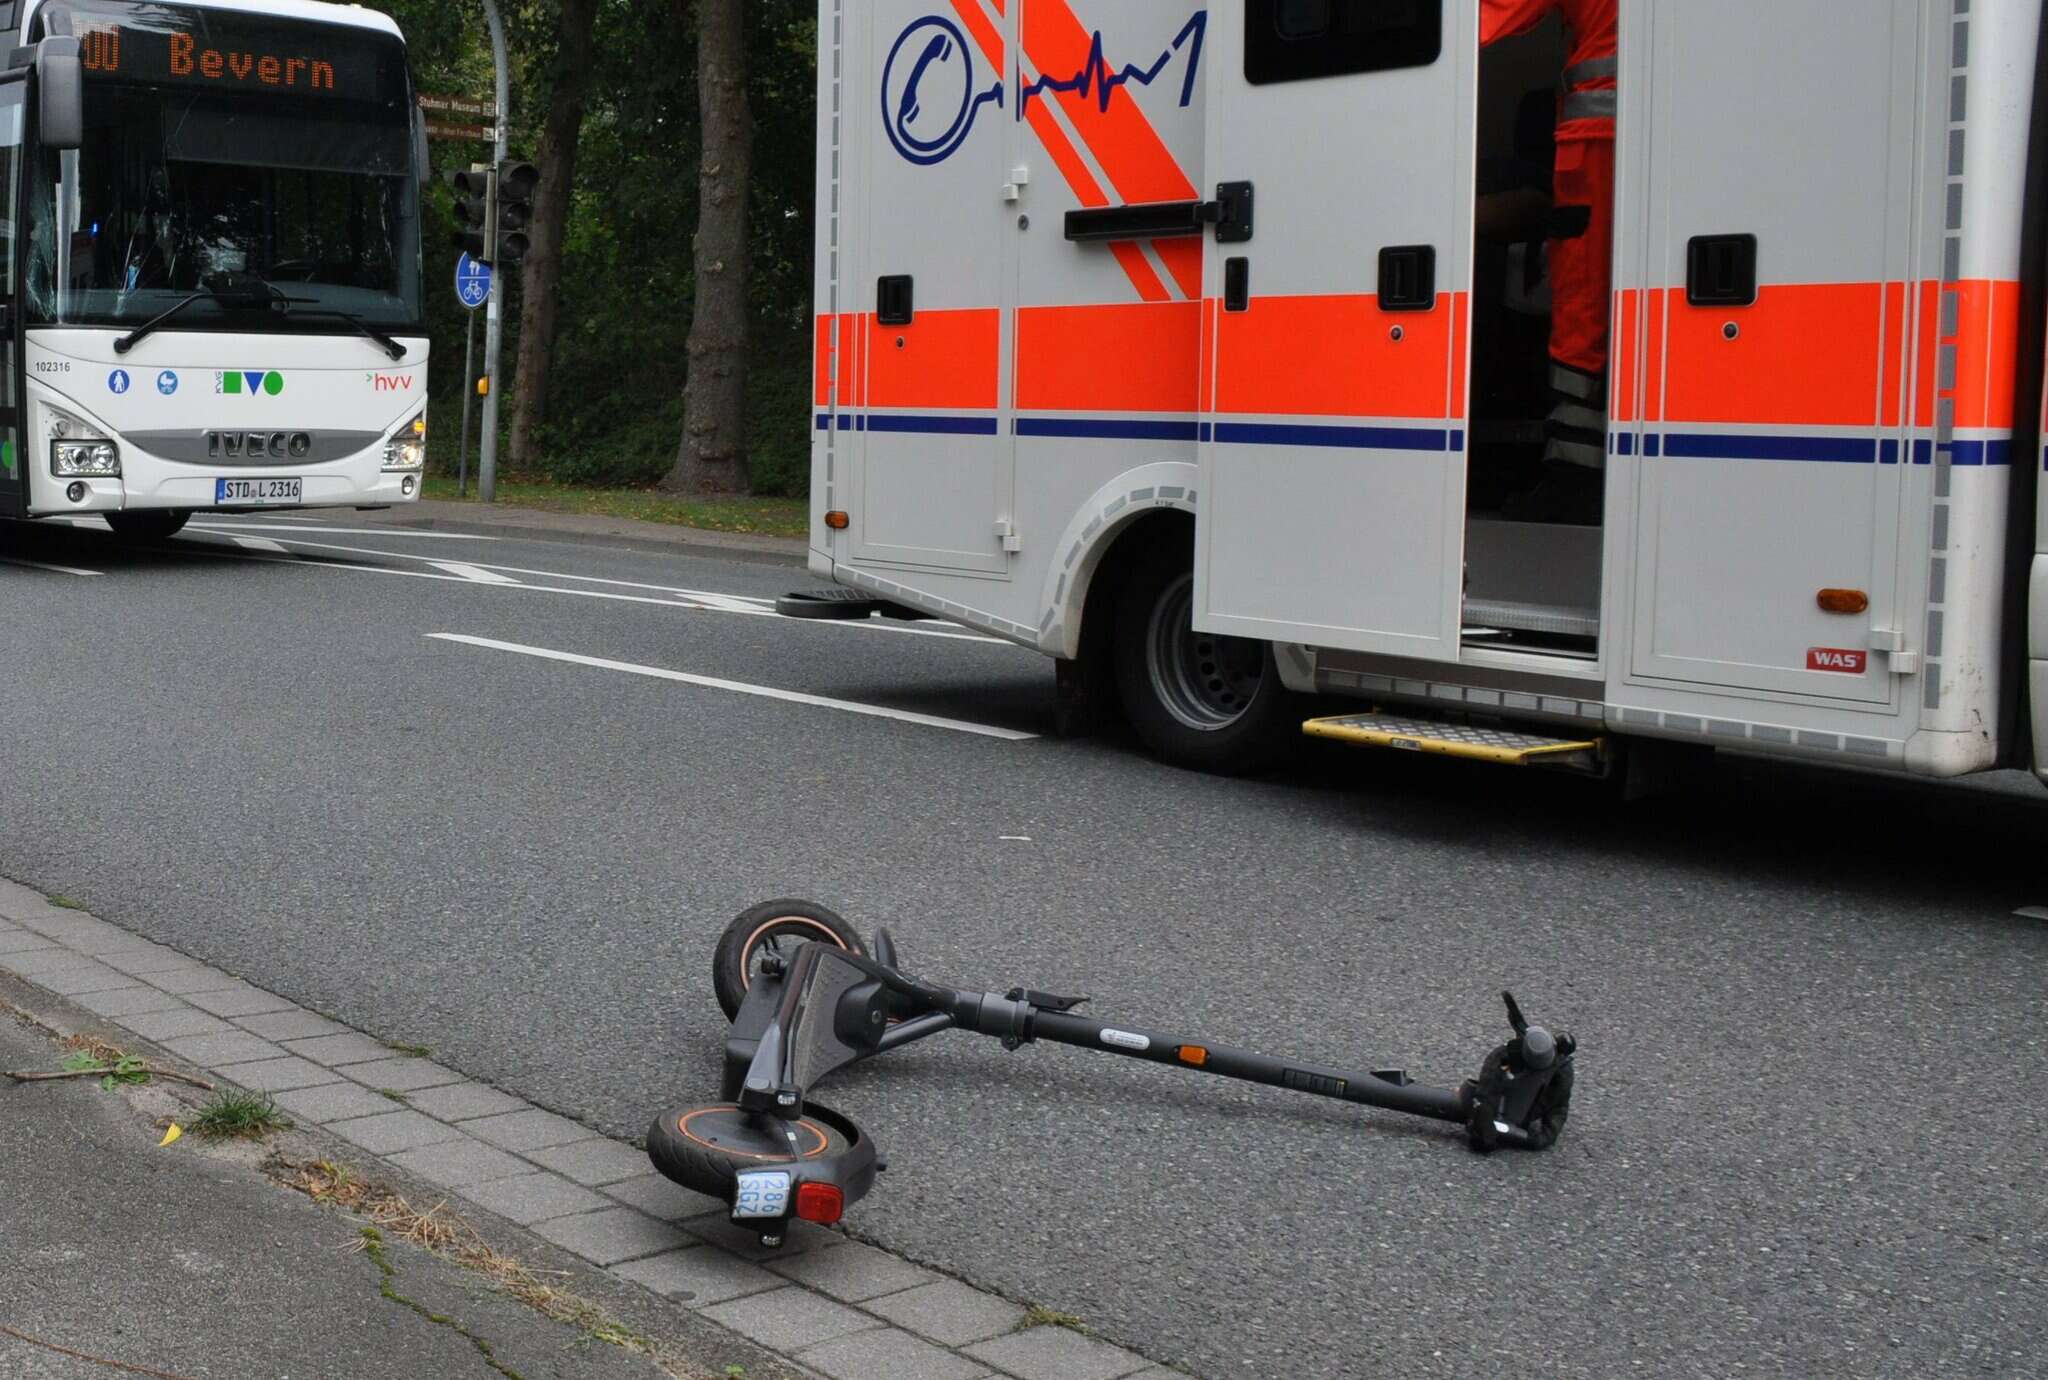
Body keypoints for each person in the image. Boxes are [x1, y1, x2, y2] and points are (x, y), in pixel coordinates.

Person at [1482, 0, 1617, 524]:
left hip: (1597, 148)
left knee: (1584, 311)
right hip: (1634, 141)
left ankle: (1575, 478)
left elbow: (1480, 16)